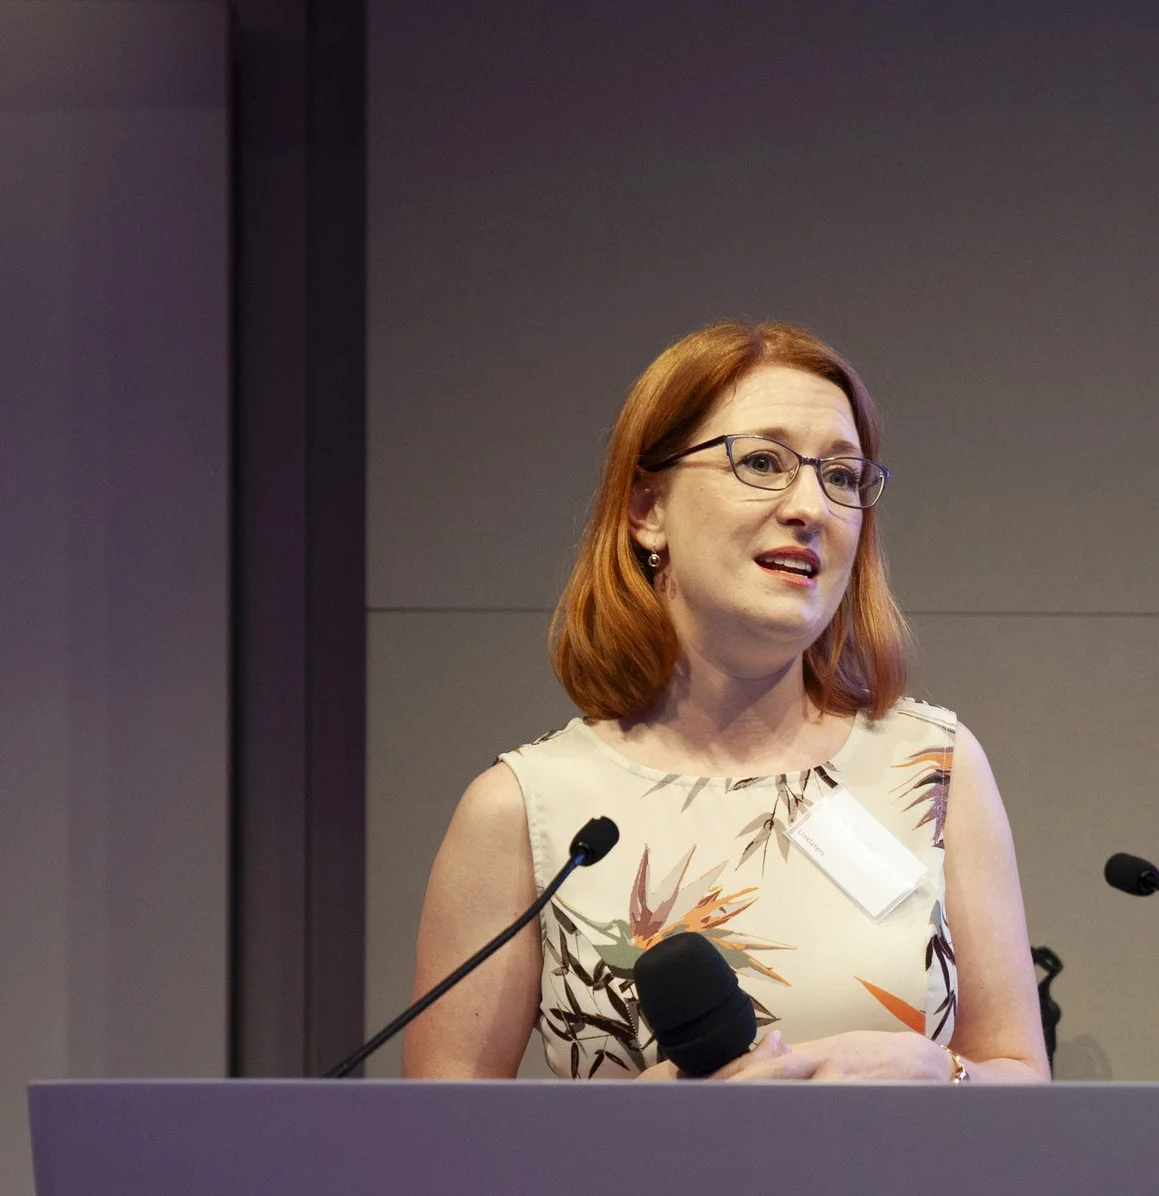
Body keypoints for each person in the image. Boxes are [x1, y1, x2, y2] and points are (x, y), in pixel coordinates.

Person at [404, 320, 1048, 1083]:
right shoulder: (528, 812)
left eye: (842, 476)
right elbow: (443, 1151)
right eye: (764, 462)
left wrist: (938, 1073)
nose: (812, 505)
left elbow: (1020, 1079)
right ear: (648, 511)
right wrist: (623, 1144)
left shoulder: (933, 767)